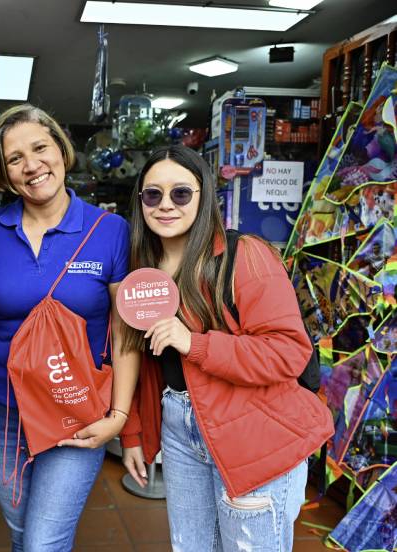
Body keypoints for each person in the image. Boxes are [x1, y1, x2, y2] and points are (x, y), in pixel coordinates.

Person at [119, 145, 334, 551]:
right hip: (178, 426)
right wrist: (132, 433)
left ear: (203, 197)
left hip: (252, 428)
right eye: (153, 195)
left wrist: (195, 344)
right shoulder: (142, 270)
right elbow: (136, 359)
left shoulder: (245, 255)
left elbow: (288, 351)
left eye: (181, 193)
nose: (166, 205)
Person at [0, 104, 136, 551]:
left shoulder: (110, 230)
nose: (32, 165)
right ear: (5, 174)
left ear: (61, 150)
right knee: (23, 533)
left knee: (44, 541)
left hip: (76, 408)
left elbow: (125, 332)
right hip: (2, 409)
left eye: (40, 148)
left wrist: (119, 416)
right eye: (15, 158)